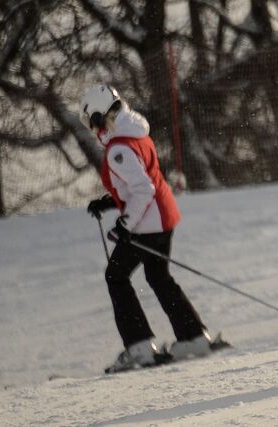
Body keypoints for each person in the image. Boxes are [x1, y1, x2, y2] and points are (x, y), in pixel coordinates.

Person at [81, 83, 215, 372]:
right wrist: (109, 202)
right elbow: (140, 182)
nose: (92, 129)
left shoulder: (119, 149)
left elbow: (142, 189)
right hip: (163, 218)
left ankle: (139, 346)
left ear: (99, 117)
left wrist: (125, 225)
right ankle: (193, 337)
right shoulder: (135, 134)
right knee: (158, 276)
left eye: (90, 120)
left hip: (146, 224)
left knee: (115, 276)